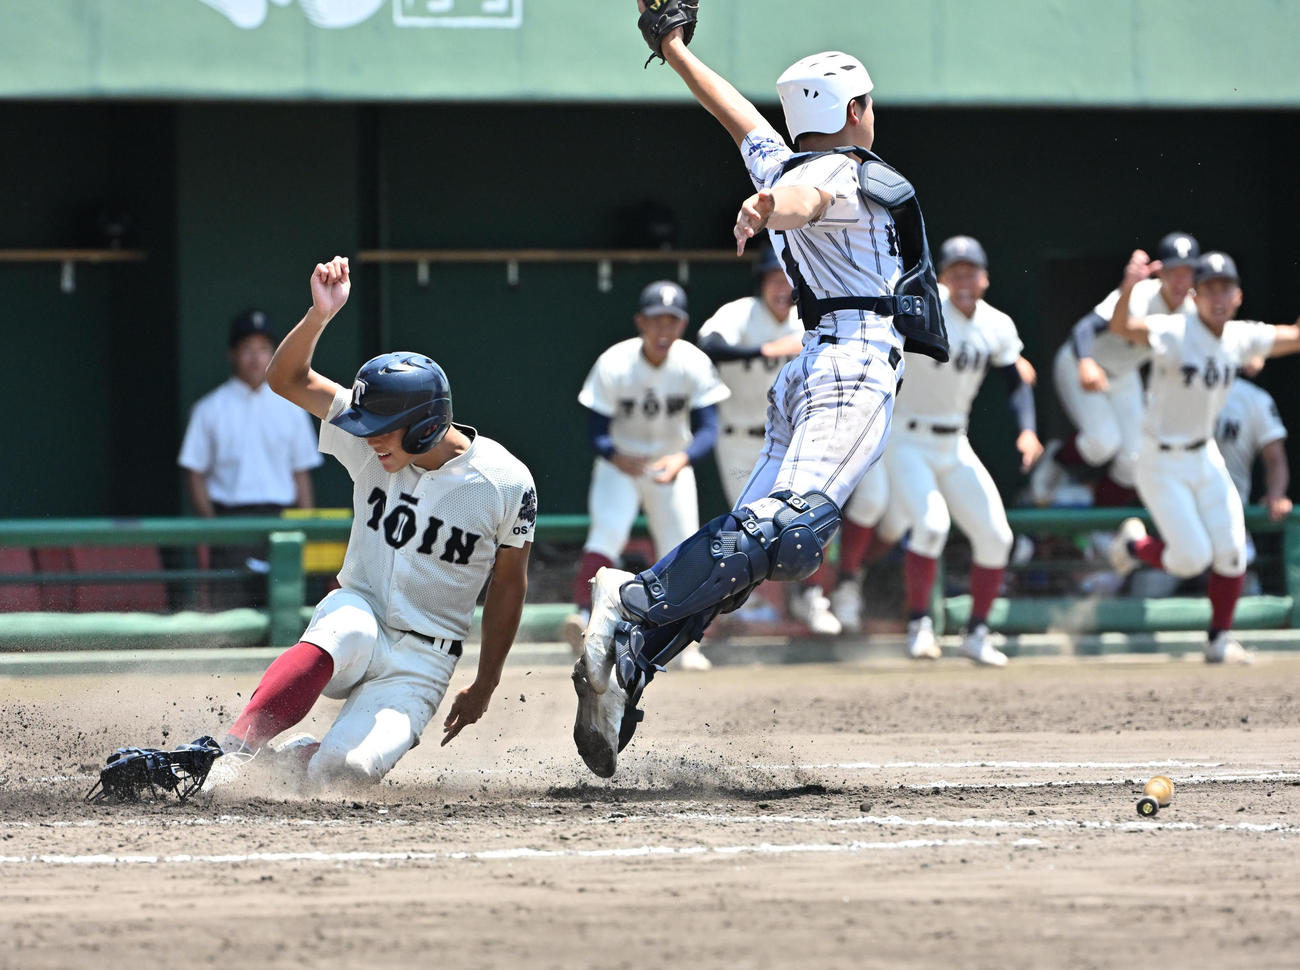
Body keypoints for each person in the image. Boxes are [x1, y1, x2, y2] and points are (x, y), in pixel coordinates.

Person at [570, 3, 950, 778]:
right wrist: (770, 208)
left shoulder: (783, 161)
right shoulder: (832, 171)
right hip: (852, 364)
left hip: (809, 366)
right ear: (853, 109)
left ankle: (633, 657)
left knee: (751, 546)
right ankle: (632, 602)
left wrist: (674, 49)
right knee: (792, 531)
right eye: (867, 103)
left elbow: (736, 116)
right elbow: (807, 201)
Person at [209, 256, 537, 789]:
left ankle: (301, 757)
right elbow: (286, 379)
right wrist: (319, 315)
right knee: (343, 629)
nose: (369, 436)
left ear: (426, 425)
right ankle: (231, 751)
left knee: (344, 774)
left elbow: (509, 585)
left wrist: (485, 683)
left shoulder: (506, 481)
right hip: (359, 608)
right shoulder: (369, 442)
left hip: (425, 658)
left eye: (383, 427)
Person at [1107, 250, 1300, 663]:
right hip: (1161, 459)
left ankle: (1218, 639)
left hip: (1204, 455)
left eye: (1225, 288)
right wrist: (1128, 288)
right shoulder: (1175, 329)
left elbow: (1294, 337)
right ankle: (1135, 545)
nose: (1217, 297)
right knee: (1191, 558)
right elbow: (1121, 327)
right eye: (1209, 289)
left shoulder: (1240, 336)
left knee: (1233, 552)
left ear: (1238, 296)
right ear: (1195, 297)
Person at [883, 235, 1043, 665]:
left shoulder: (997, 324)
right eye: (955, 273)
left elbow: (1015, 382)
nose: (964, 281)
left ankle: (977, 634)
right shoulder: (923, 309)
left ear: (985, 278)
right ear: (942, 278)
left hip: (955, 440)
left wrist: (1028, 431)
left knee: (997, 536)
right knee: (932, 525)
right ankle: (920, 626)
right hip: (906, 436)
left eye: (971, 273)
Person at [562, 280, 730, 671]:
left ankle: (685, 642)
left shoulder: (692, 361)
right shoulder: (615, 361)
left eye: (672, 320)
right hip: (622, 462)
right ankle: (584, 617)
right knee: (607, 533)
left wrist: (683, 459)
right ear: (641, 322)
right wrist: (614, 455)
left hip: (671, 461)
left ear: (683, 324)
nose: (664, 329)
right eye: (656, 320)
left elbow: (709, 428)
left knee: (682, 546)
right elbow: (596, 432)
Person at [695, 247, 846, 634]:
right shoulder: (740, 313)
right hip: (741, 439)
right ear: (762, 283)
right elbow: (708, 347)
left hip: (795, 438)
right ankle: (742, 598)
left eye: (788, 280)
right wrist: (765, 350)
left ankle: (811, 595)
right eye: (774, 280)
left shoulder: (811, 316)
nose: (782, 289)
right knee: (744, 520)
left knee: (812, 512)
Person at [1032, 232, 1200, 508]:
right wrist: (1086, 363)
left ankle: (1098, 517)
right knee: (1102, 443)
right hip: (1081, 362)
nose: (1181, 281)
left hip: (1124, 374)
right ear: (1160, 272)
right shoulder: (1140, 295)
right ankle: (1058, 458)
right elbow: (1084, 328)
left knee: (1135, 459)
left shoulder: (1193, 311)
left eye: (1188, 273)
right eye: (1174, 272)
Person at [178, 309, 323, 607]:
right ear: (232, 354)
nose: (256, 358)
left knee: (286, 613)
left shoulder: (292, 407)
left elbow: (301, 473)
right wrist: (213, 527)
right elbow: (194, 471)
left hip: (282, 523)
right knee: (230, 618)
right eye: (247, 349)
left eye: (263, 349)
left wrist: (305, 526)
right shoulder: (209, 408)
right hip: (230, 524)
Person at [1214, 358, 1290, 592]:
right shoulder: (1175, 388)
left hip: (1230, 516)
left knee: (1246, 594)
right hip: (1180, 512)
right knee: (1147, 588)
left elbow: (1276, 459)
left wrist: (1276, 494)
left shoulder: (1253, 398)